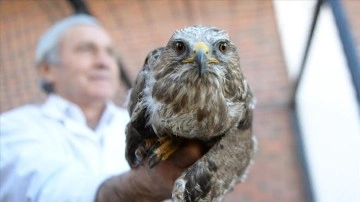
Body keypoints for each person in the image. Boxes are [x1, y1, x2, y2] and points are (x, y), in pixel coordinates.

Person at [0, 14, 202, 202]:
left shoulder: (146, 126)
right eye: (86, 49)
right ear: (47, 69)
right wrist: (141, 185)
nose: (104, 62)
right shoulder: (13, 128)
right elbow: (45, 188)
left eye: (110, 52)